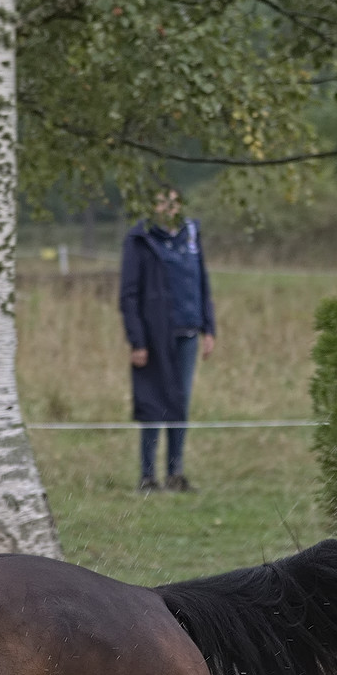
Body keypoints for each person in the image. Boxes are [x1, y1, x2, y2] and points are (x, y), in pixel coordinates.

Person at [119, 189, 217, 493]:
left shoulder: (190, 235)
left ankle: (176, 473)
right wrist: (137, 341)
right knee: (152, 403)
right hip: (152, 337)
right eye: (162, 201)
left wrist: (209, 327)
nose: (169, 207)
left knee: (180, 402)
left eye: (174, 201)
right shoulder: (140, 239)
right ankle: (147, 477)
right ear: (152, 206)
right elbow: (129, 294)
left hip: (187, 333)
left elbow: (202, 281)